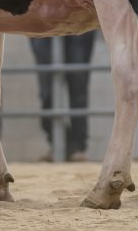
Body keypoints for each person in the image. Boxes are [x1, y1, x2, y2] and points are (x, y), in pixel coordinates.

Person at [29, 31, 96, 162]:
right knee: (47, 90)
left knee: (78, 84)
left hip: (78, 23)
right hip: (42, 23)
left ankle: (78, 147)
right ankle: (61, 144)